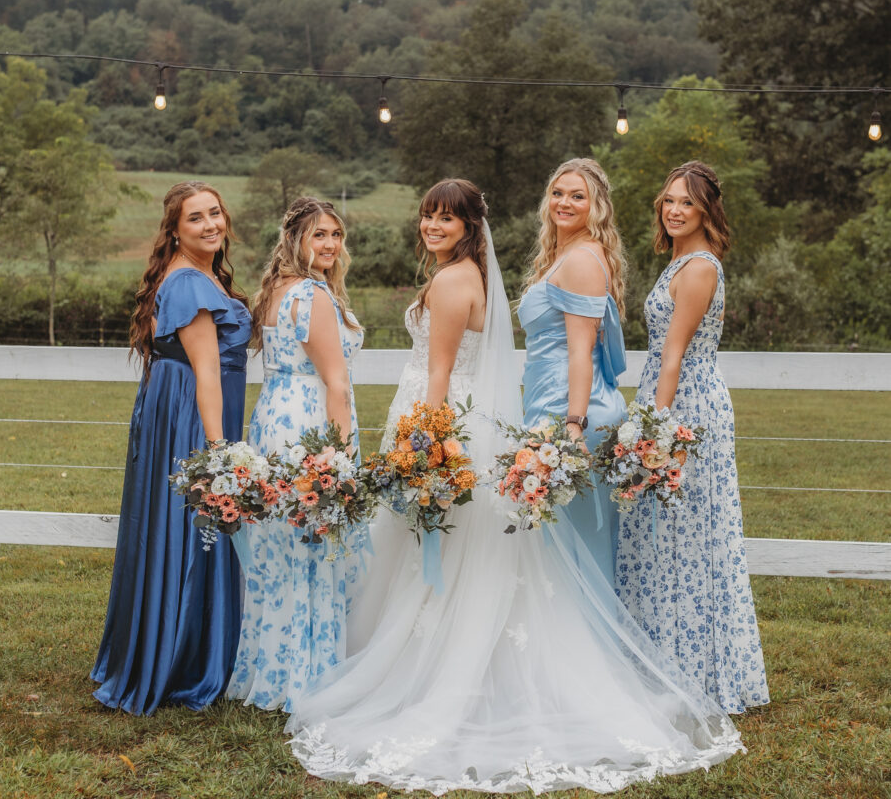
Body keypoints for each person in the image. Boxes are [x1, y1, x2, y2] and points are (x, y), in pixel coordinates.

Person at [287, 178, 743, 796]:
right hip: (510, 415)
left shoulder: (474, 277)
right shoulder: (508, 268)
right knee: (508, 560)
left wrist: (429, 442)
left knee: (479, 559)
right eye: (426, 216)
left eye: (445, 218)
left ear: (470, 227)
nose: (431, 226)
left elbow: (453, 372)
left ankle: (467, 677)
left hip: (501, 419)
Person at [615, 161, 769, 714]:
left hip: (686, 406)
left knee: (690, 533)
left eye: (687, 202)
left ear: (707, 210)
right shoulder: (678, 259)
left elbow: (675, 354)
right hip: (664, 394)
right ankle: (659, 658)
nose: (674, 210)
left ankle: (697, 669)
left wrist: (655, 431)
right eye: (669, 201)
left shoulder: (700, 267)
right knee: (663, 534)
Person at [91, 181, 250, 715]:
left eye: (215, 213)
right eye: (196, 219)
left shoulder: (199, 275)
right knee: (194, 525)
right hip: (193, 416)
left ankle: (174, 647)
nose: (210, 225)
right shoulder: (188, 283)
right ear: (175, 230)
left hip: (180, 407)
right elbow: (207, 371)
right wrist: (217, 454)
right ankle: (184, 659)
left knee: (178, 527)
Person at [225, 197, 364, 712]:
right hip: (310, 420)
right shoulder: (313, 295)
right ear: (295, 241)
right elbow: (336, 382)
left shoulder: (276, 290)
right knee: (313, 543)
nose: (330, 244)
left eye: (336, 234)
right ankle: (311, 678)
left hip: (273, 419)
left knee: (278, 548)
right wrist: (337, 458)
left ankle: (274, 671)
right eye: (319, 235)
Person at [518, 157, 628, 586]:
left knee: (579, 554)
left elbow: (581, 352)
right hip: (550, 404)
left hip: (572, 414)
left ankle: (590, 650)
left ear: (595, 206)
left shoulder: (582, 259)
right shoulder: (565, 253)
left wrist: (573, 427)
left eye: (577, 196)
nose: (564, 202)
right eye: (557, 193)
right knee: (560, 550)